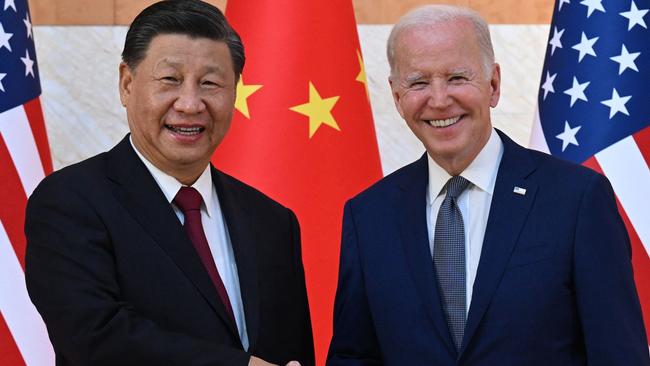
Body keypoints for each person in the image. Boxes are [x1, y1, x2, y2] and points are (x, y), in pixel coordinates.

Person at [327, 5, 649, 365]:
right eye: (418, 82)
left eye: (457, 78)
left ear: (493, 85)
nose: (438, 99)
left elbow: (619, 355)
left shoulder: (577, 200)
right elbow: (353, 356)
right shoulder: (369, 215)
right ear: (397, 96)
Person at [24, 1, 314, 365]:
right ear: (127, 84)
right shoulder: (70, 202)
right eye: (170, 80)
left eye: (210, 83)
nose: (190, 104)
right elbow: (95, 337)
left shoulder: (272, 221)